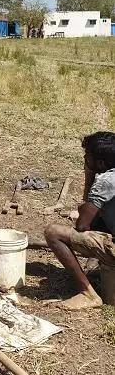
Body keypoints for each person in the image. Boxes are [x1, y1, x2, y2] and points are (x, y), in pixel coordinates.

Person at [45, 131, 115, 310]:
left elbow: (83, 225)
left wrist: (89, 176)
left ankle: (88, 294)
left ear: (99, 163)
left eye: (87, 156)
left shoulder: (105, 181)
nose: (85, 159)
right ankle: (99, 263)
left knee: (53, 233)